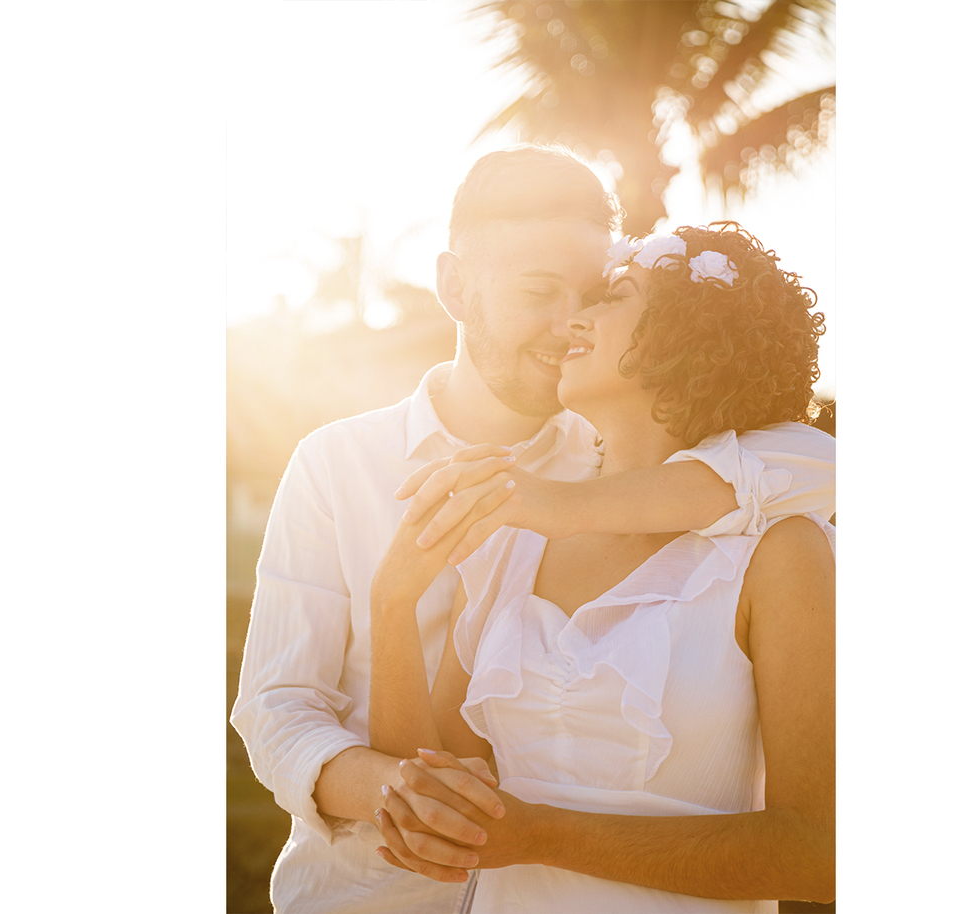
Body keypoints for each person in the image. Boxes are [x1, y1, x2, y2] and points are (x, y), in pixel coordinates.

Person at [231, 146, 835, 914]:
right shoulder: (336, 464)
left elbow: (815, 462)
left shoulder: (625, 486)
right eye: (539, 291)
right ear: (455, 286)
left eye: (594, 295)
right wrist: (418, 784)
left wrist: (554, 503)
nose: (568, 322)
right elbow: (282, 709)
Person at [366, 223, 835, 912]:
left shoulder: (778, 551)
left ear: (689, 335)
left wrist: (541, 837)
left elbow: (821, 857)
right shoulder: (513, 548)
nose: (572, 319)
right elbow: (436, 782)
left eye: (613, 296)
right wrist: (391, 607)